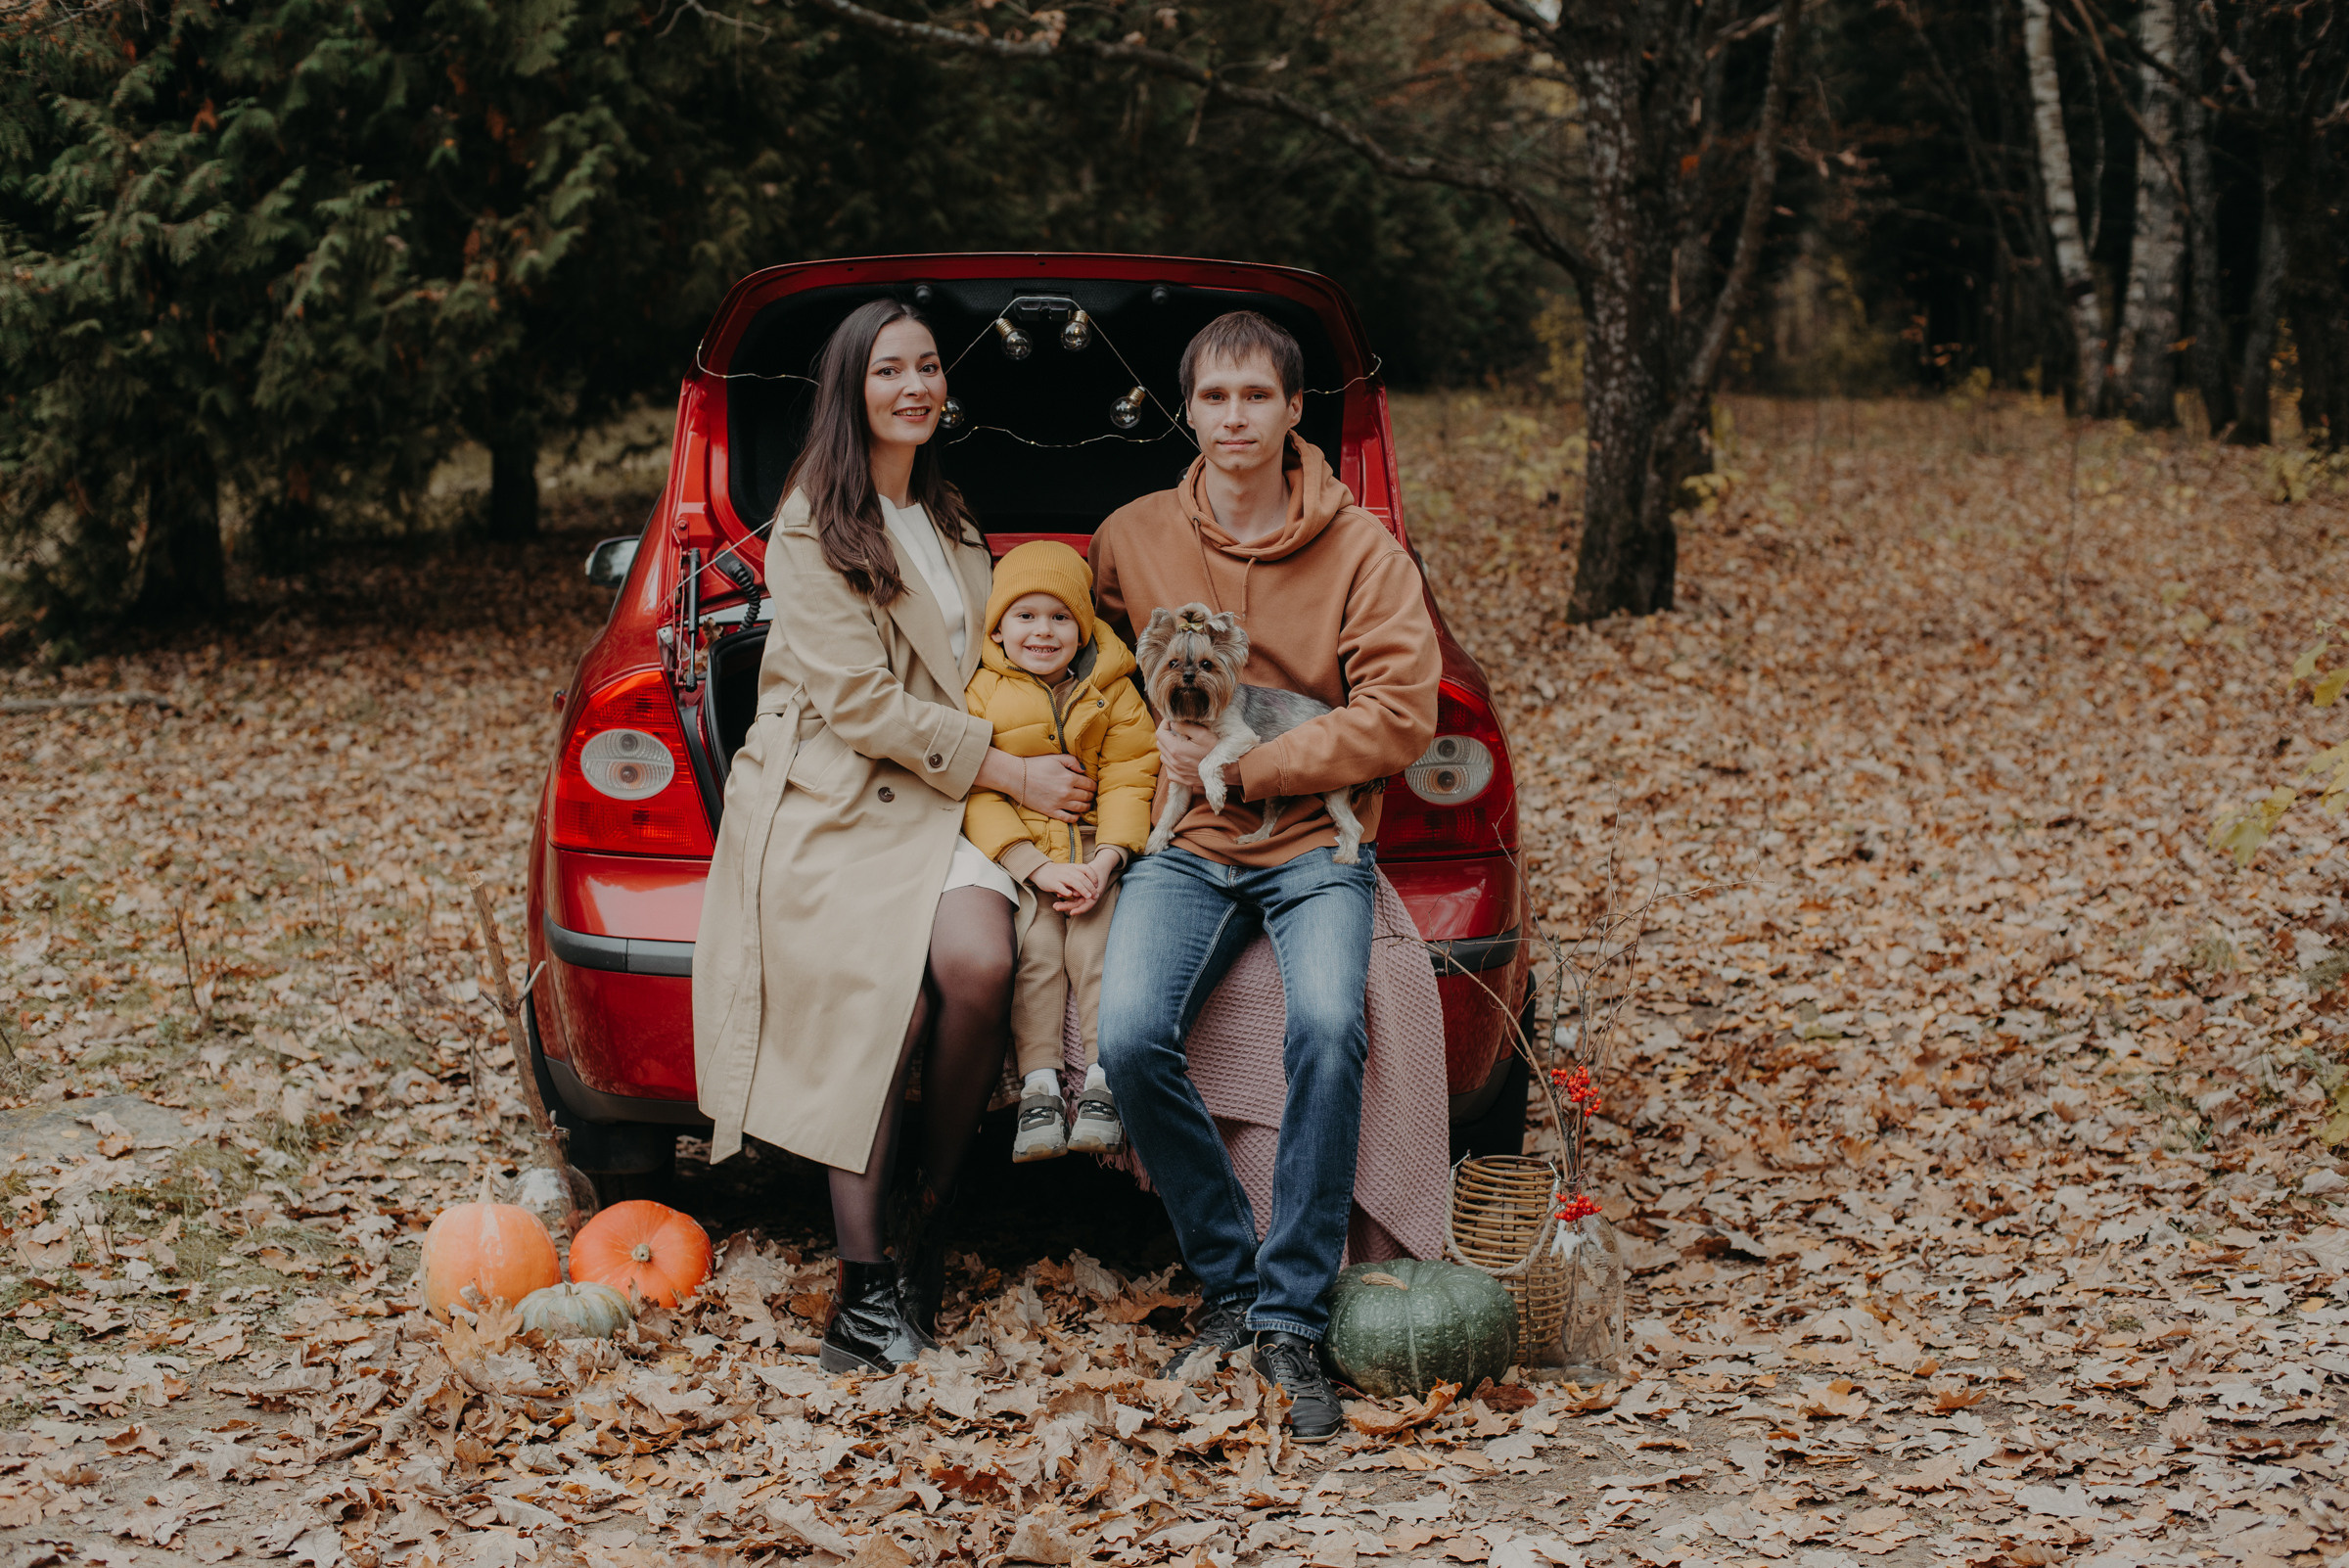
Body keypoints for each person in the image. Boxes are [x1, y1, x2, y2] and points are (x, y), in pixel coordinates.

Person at [693, 298, 1097, 1374]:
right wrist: (1009, 767)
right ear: (850, 392)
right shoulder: (811, 524)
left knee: (978, 965)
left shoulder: (951, 514)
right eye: (889, 372)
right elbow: (866, 709)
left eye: (926, 368)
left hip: (945, 793)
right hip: (841, 795)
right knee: (886, 992)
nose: (914, 387)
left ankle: (930, 1210)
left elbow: (999, 657)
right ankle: (866, 1290)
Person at [1090, 311, 1441, 1442]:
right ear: (1184, 411)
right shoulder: (1132, 536)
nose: (1233, 417)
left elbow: (1400, 716)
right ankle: (1231, 1284)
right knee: (1131, 1034)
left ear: (1296, 412)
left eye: (1257, 397)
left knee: (1332, 1027)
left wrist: (1252, 772)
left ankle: (1293, 1314)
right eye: (1213, 397)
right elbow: (1085, 664)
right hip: (1186, 850)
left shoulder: (1365, 553)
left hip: (1308, 850)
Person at [960, 542, 1160, 1163]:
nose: (1042, 631)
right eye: (1024, 616)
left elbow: (1133, 776)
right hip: (1023, 863)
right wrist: (1034, 866)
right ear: (997, 626)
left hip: (1097, 857)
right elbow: (972, 791)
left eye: (1059, 617)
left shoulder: (1116, 690)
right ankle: (1040, 1087)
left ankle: (1103, 1085)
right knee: (1038, 953)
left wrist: (1107, 862)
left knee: (1100, 947)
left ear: (1084, 625)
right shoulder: (980, 693)